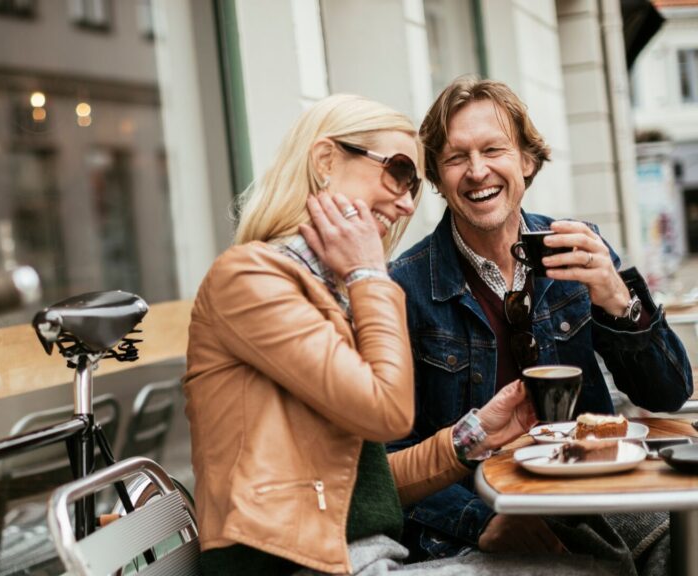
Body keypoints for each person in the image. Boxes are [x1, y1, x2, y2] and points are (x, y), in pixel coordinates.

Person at [184, 94, 616, 575]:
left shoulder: (325, 290)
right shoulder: (251, 279)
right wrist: (370, 273)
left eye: (413, 183)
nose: (409, 202)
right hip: (301, 566)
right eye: (398, 172)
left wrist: (474, 433)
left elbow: (366, 486)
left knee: (600, 556)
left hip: (362, 558)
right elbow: (387, 412)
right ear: (326, 160)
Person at [388, 76, 694, 564]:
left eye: (494, 149)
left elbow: (670, 393)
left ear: (527, 160)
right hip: (479, 513)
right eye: (455, 157)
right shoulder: (403, 287)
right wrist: (482, 522)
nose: (476, 171)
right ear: (437, 178)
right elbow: (389, 462)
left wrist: (619, 298)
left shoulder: (577, 247)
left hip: (592, 491)